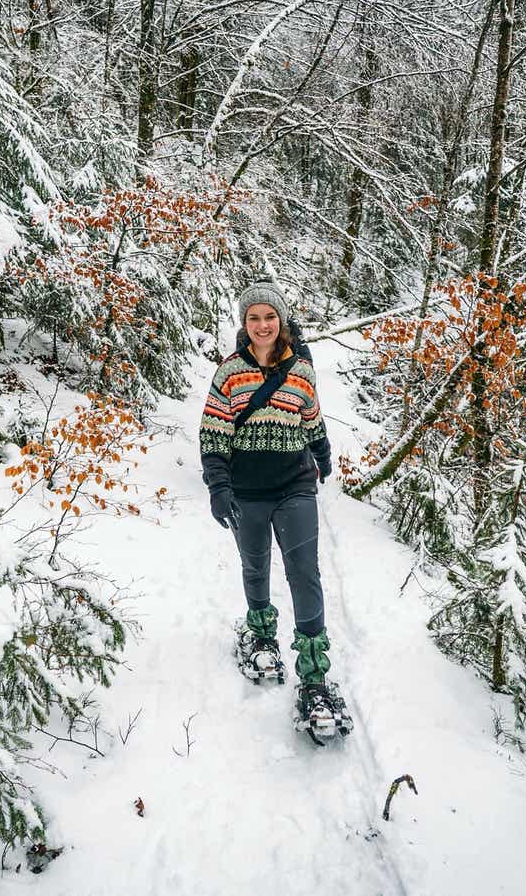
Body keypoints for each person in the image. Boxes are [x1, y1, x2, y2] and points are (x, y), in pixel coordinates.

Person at [199, 281, 351, 737]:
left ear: (280, 321)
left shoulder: (301, 369)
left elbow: (313, 418)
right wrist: (218, 486)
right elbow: (212, 432)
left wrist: (323, 459)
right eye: (253, 318)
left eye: (269, 317)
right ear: (244, 325)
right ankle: (262, 634)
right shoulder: (229, 373)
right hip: (246, 490)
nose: (262, 325)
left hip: (295, 486)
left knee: (304, 571)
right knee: (255, 564)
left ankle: (314, 675)